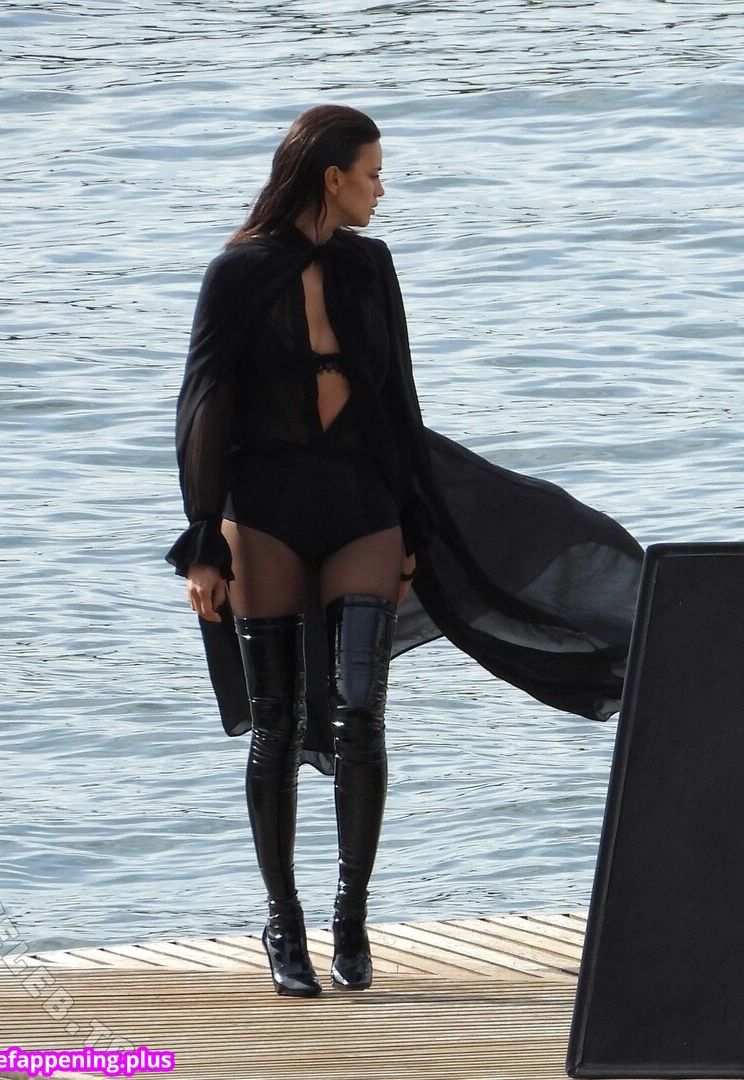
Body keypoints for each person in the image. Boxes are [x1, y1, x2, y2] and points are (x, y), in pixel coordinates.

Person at [166, 105, 644, 998]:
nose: (382, 190)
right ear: (332, 178)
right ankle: (284, 924)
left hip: (362, 504)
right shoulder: (237, 273)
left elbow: (397, 398)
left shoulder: (369, 266)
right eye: (373, 173)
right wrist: (203, 542)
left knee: (360, 714)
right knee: (276, 722)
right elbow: (202, 404)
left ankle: (351, 917)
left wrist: (415, 526)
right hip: (263, 509)